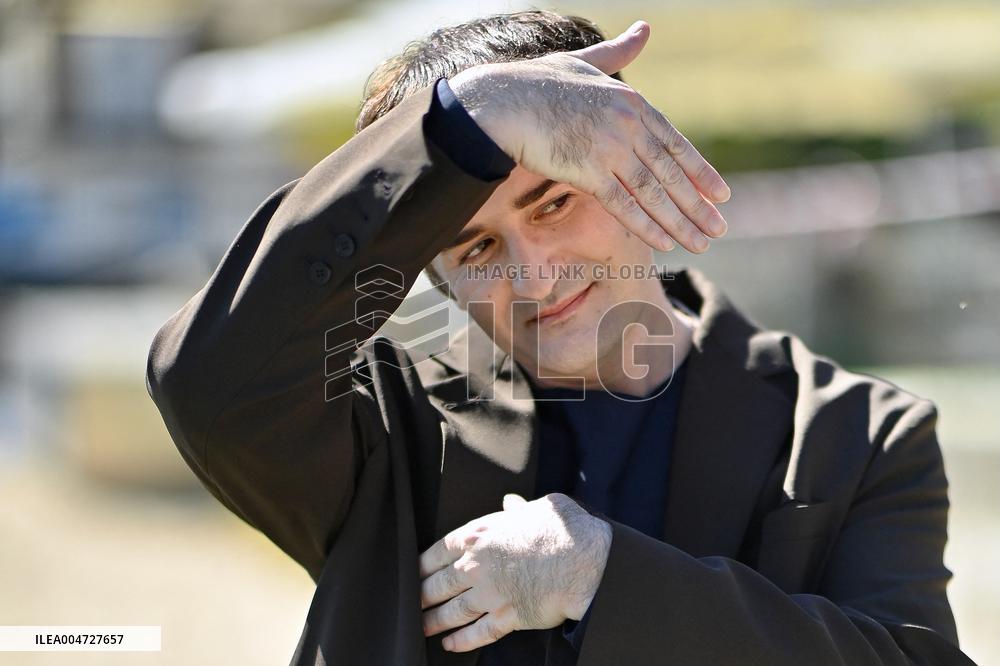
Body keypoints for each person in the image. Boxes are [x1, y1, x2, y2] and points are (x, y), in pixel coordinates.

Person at [145, 10, 977, 665]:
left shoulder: (859, 433)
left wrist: (607, 578)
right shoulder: (382, 428)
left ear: (636, 161)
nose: (534, 274)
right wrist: (463, 127)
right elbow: (209, 380)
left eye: (554, 202)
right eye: (475, 244)